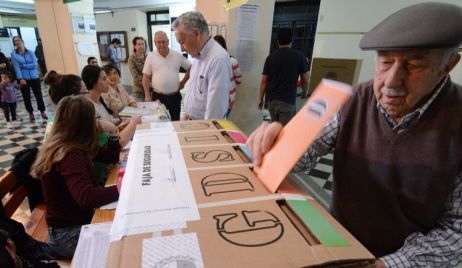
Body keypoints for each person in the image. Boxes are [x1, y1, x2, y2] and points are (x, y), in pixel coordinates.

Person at [247, 3, 462, 267]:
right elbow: (305, 154)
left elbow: (456, 231)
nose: (392, 81)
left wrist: (384, 265)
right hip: (338, 242)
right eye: (385, 62)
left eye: (414, 65)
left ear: (449, 64)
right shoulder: (352, 100)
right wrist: (279, 144)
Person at [30, 95, 120, 258]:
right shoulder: (69, 155)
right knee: (122, 240)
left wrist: (113, 131)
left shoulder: (72, 143)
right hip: (67, 235)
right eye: (94, 117)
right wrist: (123, 188)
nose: (97, 121)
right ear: (84, 123)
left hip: (69, 227)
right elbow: (87, 197)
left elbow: (110, 157)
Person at [173, 11, 233, 120]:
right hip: (192, 121)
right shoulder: (197, 55)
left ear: (196, 34)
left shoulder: (218, 59)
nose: (182, 48)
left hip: (204, 127)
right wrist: (188, 114)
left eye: (182, 42)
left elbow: (214, 113)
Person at [258, 28, 309, 126]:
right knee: (283, 133)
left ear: (277, 41)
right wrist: (304, 93)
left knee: (271, 129)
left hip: (270, 102)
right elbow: (305, 80)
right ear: (291, 40)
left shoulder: (270, 57)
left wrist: (260, 99)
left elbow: (264, 81)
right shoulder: (299, 57)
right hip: (287, 102)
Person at [143, 31, 191, 121]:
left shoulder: (177, 55)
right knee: (158, 121)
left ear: (168, 41)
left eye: (163, 41)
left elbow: (191, 68)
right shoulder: (150, 57)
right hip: (158, 96)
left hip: (174, 96)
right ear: (155, 43)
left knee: (175, 121)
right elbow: (145, 77)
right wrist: (147, 94)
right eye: (158, 42)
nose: (161, 44)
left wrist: (183, 82)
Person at [10, 36, 47, 123]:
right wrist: (21, 78)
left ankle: (42, 112)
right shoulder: (14, 54)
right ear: (14, 43)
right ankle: (31, 113)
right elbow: (16, 68)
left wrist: (23, 66)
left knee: (39, 95)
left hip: (35, 77)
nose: (17, 42)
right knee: (26, 97)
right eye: (15, 41)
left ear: (22, 41)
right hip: (24, 79)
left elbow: (34, 65)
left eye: (18, 40)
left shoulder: (30, 52)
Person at [213, 35, 242, 118]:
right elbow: (239, 80)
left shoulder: (211, 61)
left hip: (218, 98)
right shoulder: (232, 61)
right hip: (227, 98)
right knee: (221, 121)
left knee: (217, 122)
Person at [128, 36, 147, 101]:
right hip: (139, 91)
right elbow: (136, 76)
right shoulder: (132, 59)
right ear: (134, 46)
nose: (141, 46)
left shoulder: (148, 57)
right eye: (139, 44)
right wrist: (149, 84)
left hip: (151, 91)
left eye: (143, 44)